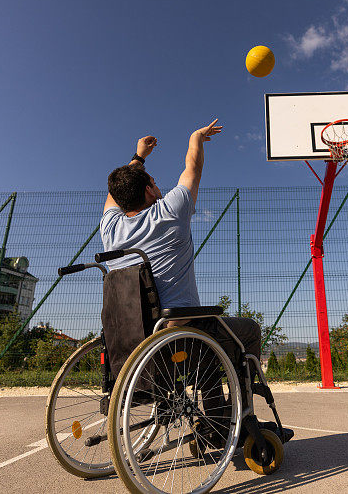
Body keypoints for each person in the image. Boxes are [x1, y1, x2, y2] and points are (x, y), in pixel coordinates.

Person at [100, 119, 276, 443]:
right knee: (245, 331)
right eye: (152, 181)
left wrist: (138, 157)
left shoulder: (109, 227)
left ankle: (216, 424)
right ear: (150, 189)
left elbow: (118, 192)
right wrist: (196, 138)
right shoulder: (170, 212)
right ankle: (240, 416)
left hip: (132, 339)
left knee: (203, 336)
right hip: (178, 334)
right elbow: (192, 167)